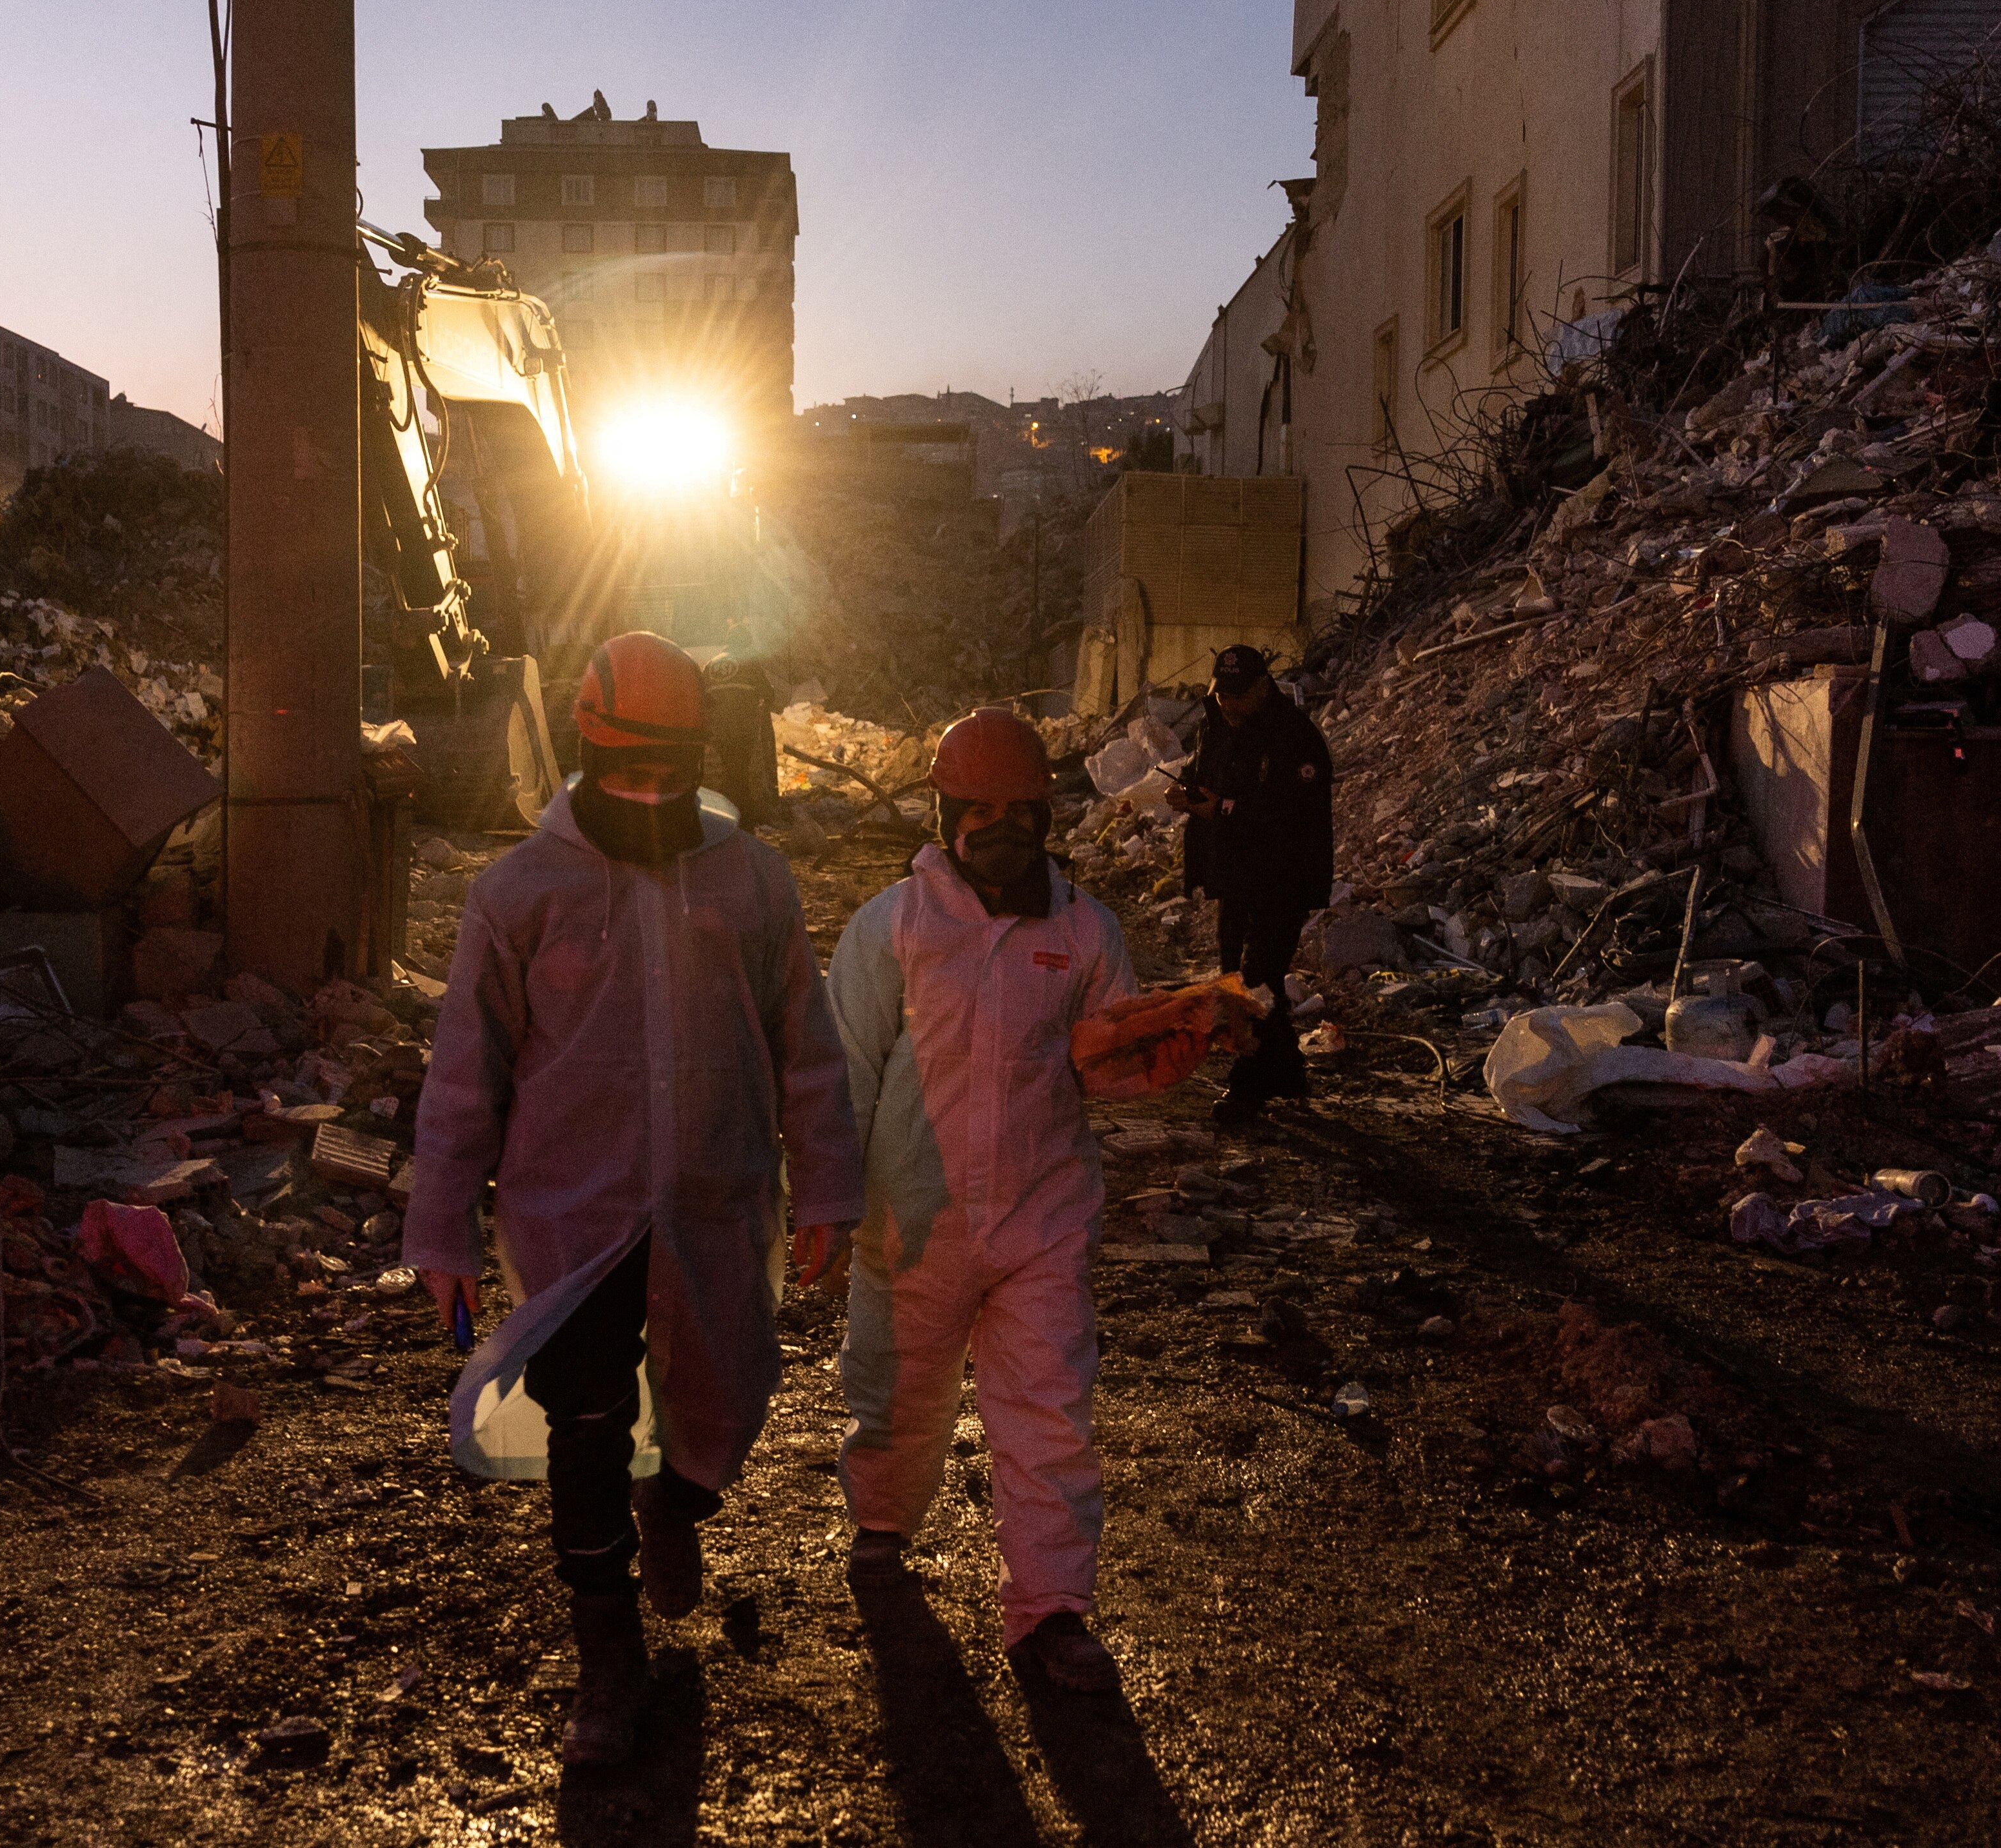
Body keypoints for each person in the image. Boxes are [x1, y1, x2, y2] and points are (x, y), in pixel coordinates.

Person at [405, 631, 863, 1770]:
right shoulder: (519, 893)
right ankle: (604, 1658)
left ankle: (682, 1506)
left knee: (726, 1393)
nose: (651, 796)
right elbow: (467, 1073)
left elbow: (807, 1047)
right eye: (629, 775)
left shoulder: (751, 879)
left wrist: (828, 1188)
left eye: (672, 775)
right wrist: (442, 1228)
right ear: (587, 748)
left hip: (716, 1200)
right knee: (588, 1422)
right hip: (574, 1219)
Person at [828, 709, 1138, 1693]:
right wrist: (828, 1200)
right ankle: (880, 1527)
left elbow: (1108, 1061)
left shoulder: (1085, 931)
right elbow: (842, 1073)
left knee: (1048, 1413)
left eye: (1022, 812)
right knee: (894, 1392)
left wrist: (1159, 1049)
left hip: (1042, 1222)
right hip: (911, 1220)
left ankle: (1052, 1609)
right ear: (943, 812)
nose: (1000, 831)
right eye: (979, 812)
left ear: (1047, 815)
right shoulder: (893, 927)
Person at [1165, 644, 1335, 1126]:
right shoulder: (1215, 725)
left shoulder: (1295, 738)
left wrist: (1221, 809)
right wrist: (1185, 790)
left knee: (1253, 980)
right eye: (1224, 695)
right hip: (1233, 876)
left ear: (1263, 686)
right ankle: (1283, 1069)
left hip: (1283, 877)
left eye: (1239, 695)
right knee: (1239, 975)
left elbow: (1293, 815)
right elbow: (1204, 774)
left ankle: (1247, 1086)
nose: (1230, 704)